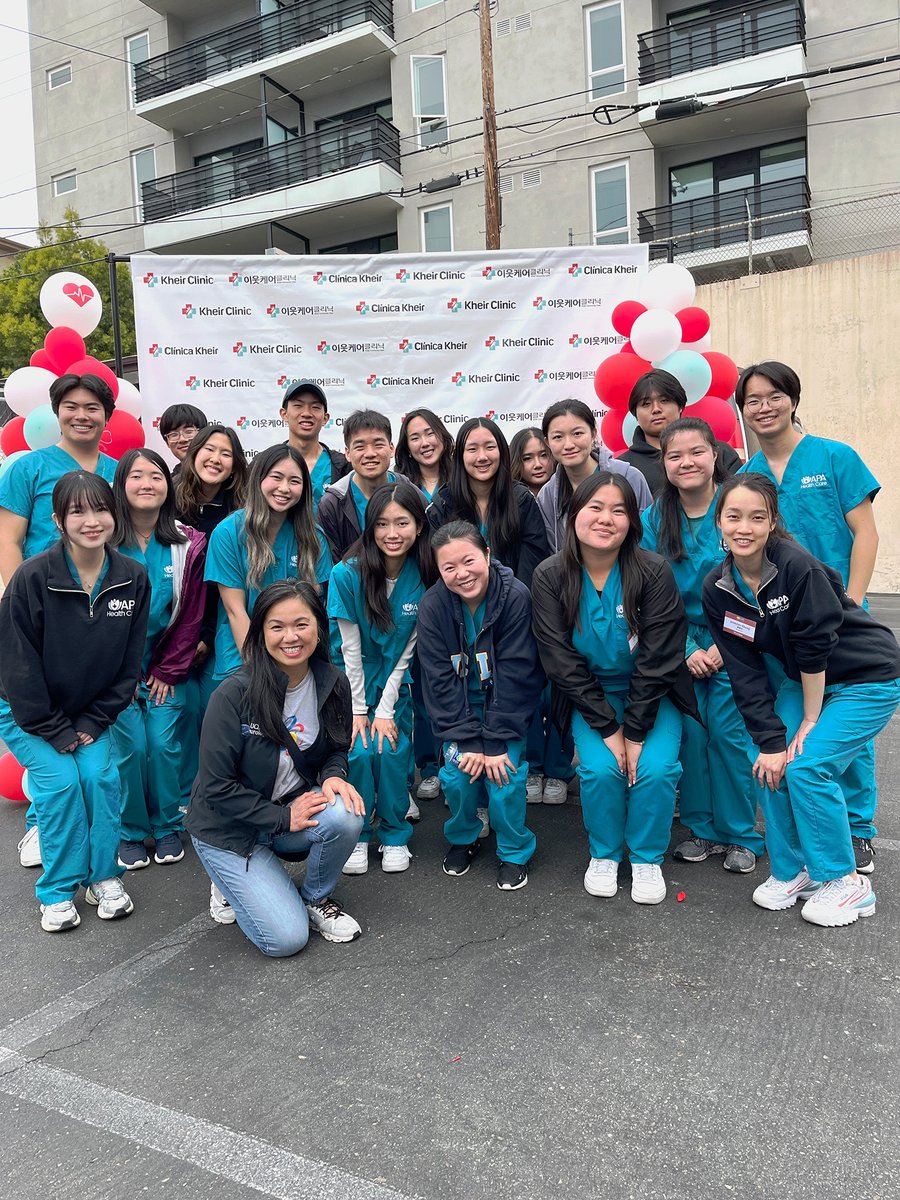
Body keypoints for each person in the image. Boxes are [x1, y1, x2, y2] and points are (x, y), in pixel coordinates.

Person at [702, 475, 900, 927]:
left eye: (757, 517)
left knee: (808, 765)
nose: (744, 527)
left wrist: (810, 719)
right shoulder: (717, 588)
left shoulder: (797, 567)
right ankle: (795, 871)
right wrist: (771, 741)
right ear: (720, 522)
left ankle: (846, 883)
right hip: (804, 680)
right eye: (733, 516)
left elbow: (815, 649)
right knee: (767, 761)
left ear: (773, 522)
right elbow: (744, 671)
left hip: (864, 677)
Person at [735, 361, 881, 874]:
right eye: (752, 399)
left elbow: (865, 533)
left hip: (837, 619)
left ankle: (859, 827)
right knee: (791, 720)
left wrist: (853, 601)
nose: (764, 406)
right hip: (778, 625)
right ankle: (803, 835)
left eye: (774, 395)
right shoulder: (745, 475)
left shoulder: (834, 457)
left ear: (793, 399)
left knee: (845, 732)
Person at [532, 473, 697, 905]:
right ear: (573, 516)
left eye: (619, 510)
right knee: (601, 769)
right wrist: (610, 730)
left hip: (652, 693)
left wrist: (636, 732)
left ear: (632, 522)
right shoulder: (550, 575)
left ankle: (645, 858)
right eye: (595, 508)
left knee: (655, 769)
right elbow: (559, 660)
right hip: (590, 697)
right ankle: (604, 854)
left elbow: (659, 656)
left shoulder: (652, 570)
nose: (606, 519)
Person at [0, 472, 149, 932]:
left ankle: (103, 876)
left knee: (100, 777)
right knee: (63, 783)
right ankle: (58, 889)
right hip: (29, 714)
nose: (92, 520)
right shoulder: (31, 577)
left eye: (100, 509)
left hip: (91, 714)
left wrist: (95, 719)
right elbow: (17, 667)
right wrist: (55, 728)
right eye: (77, 511)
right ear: (58, 520)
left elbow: (128, 665)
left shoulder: (131, 577)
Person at [185, 579, 365, 955]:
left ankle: (315, 898)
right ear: (261, 632)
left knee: (345, 813)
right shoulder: (234, 694)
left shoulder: (333, 683)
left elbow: (335, 748)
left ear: (318, 626)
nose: (290, 637)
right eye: (276, 626)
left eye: (301, 624)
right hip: (229, 828)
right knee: (286, 940)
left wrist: (334, 776)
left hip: (286, 811)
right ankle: (228, 876)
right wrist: (283, 819)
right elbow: (216, 788)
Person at [0, 372, 119, 872]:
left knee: (88, 730)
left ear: (107, 415)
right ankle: (40, 826)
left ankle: (92, 846)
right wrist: (12, 608)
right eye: (71, 406)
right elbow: (8, 539)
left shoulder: (118, 470)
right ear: (55, 412)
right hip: (38, 614)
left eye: (92, 407)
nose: (82, 415)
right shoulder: (28, 468)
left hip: (96, 614)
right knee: (40, 721)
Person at [641, 418, 764, 873]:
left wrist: (719, 644)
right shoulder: (653, 520)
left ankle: (742, 835)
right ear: (664, 464)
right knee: (692, 738)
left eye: (696, 451)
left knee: (732, 737)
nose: (686, 462)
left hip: (738, 643)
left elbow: (755, 588)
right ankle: (702, 830)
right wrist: (688, 645)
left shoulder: (737, 506)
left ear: (715, 453)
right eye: (674, 455)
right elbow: (650, 594)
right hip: (679, 647)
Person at [417, 521, 543, 891]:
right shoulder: (433, 605)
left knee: (503, 776)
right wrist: (468, 740)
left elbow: (521, 672)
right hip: (459, 711)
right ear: (439, 571)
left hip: (506, 707)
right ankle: (464, 836)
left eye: (469, 560)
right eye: (449, 568)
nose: (462, 574)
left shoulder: (516, 596)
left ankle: (514, 849)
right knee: (457, 775)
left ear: (487, 554)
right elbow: (438, 680)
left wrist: (495, 741)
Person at [328, 483, 436, 875]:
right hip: (350, 679)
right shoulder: (346, 573)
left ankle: (393, 834)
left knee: (390, 751)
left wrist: (386, 707)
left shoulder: (425, 573)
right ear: (369, 527)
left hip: (396, 679)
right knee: (357, 751)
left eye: (403, 523)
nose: (393, 533)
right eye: (383, 523)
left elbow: (410, 647)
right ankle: (357, 836)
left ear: (419, 526)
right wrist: (359, 709)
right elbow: (348, 647)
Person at [110, 449, 207, 870]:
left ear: (168, 486)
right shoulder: (103, 538)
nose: (147, 483)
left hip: (167, 667)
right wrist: (121, 675)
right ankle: (131, 831)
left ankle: (167, 826)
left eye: (155, 475)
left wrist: (167, 670)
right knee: (130, 746)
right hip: (114, 672)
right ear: (121, 485)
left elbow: (190, 616)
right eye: (136, 476)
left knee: (165, 745)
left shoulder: (188, 543)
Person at [204, 445, 332, 683]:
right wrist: (258, 670)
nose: (284, 488)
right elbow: (235, 610)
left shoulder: (314, 538)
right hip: (243, 653)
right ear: (259, 479)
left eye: (294, 481)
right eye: (276, 477)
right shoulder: (228, 533)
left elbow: (317, 606)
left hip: (297, 651)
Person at [174, 424, 249, 803]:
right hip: (174, 626)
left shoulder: (240, 512)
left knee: (213, 709)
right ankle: (186, 795)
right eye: (209, 449)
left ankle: (215, 788)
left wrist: (205, 636)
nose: (216, 459)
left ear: (236, 466)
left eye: (226, 453)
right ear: (193, 453)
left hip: (219, 623)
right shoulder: (169, 500)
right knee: (181, 714)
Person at [394, 408, 454, 802]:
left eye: (430, 433)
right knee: (416, 686)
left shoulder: (460, 481)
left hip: (454, 594)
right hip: (415, 596)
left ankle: (454, 759)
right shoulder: (400, 485)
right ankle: (428, 766)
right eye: (415, 436)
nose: (424, 442)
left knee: (450, 681)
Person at [510, 425, 571, 806]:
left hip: (566, 605)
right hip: (523, 606)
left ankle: (559, 768)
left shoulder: (563, 493)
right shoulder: (511, 500)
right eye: (527, 457)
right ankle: (532, 766)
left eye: (542, 455)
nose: (537, 463)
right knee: (527, 689)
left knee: (563, 688)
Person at [427, 418, 550, 590]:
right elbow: (436, 567)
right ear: (460, 455)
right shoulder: (443, 504)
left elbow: (532, 562)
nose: (482, 456)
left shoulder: (521, 500)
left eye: (490, 447)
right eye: (472, 449)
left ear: (502, 450)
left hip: (514, 602)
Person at [536, 398, 652, 553]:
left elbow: (649, 537)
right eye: (558, 437)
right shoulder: (548, 495)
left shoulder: (630, 477)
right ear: (547, 442)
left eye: (577, 433)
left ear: (593, 434)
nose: (569, 445)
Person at [620, 369, 741, 495]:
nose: (656, 409)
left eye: (664, 400)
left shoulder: (721, 453)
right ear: (635, 414)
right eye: (646, 404)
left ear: (680, 406)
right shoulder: (624, 468)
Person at [318, 410, 416, 562]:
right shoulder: (332, 503)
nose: (370, 453)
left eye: (378, 444)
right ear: (347, 453)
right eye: (360, 447)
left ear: (391, 448)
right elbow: (330, 563)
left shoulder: (410, 492)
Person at [279, 380, 349, 513]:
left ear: (325, 418)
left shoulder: (344, 466)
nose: (306, 413)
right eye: (298, 405)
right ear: (284, 414)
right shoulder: (265, 464)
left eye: (315, 407)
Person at [395, 408, 454, 501]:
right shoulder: (398, 485)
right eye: (415, 438)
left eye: (430, 433)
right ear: (408, 448)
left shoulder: (461, 478)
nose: (425, 443)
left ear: (442, 436)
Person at [158, 403, 208, 470]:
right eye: (174, 434)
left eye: (188, 431)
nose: (182, 439)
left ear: (203, 434)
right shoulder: (170, 479)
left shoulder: (219, 474)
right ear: (167, 442)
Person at [510, 427, 555, 497]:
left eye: (544, 455)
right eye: (527, 458)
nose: (538, 465)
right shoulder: (507, 499)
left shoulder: (567, 493)